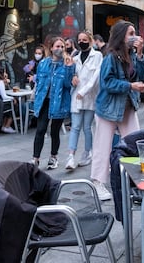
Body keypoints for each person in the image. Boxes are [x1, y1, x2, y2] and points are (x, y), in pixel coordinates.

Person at [90, 20, 144, 200]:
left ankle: (134, 178)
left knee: (135, 142)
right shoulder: (111, 56)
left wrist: (140, 54)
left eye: (134, 34)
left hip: (127, 105)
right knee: (103, 145)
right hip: (108, 107)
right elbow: (107, 83)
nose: (134, 37)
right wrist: (130, 86)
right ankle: (97, 182)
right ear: (121, 35)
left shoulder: (131, 55)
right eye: (130, 34)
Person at [30, 36, 75, 169]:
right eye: (57, 46)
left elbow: (68, 84)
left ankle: (53, 157)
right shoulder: (43, 63)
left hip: (59, 102)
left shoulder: (68, 63)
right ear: (51, 48)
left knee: (55, 131)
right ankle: (35, 158)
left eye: (62, 47)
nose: (60, 49)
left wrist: (68, 68)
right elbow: (39, 83)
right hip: (45, 101)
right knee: (40, 130)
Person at [65, 30, 103, 171]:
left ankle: (87, 152)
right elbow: (70, 76)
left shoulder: (98, 56)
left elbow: (95, 78)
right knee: (75, 127)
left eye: (84, 39)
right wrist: (72, 79)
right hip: (77, 97)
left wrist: (83, 91)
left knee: (87, 128)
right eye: (79, 40)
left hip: (90, 97)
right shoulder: (75, 58)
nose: (82, 42)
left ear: (90, 40)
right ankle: (70, 156)